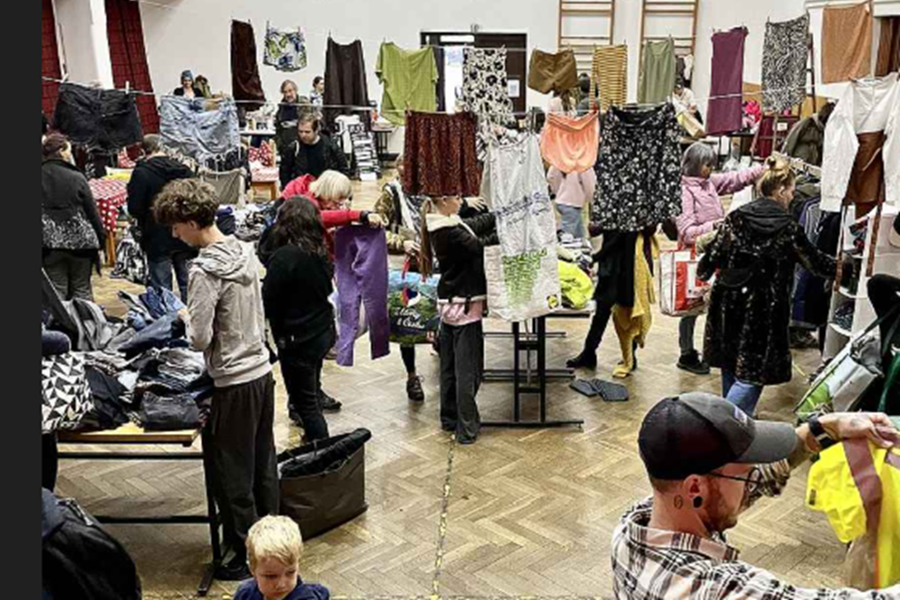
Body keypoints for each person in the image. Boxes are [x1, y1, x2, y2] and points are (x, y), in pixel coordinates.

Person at [613, 392, 900, 599]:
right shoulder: (714, 590)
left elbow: (755, 481)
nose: (752, 483)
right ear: (695, 488)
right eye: (745, 475)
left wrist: (823, 429)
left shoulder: (633, 528)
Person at [154, 179, 278, 581]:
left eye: (176, 227)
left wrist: (187, 317)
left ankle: (245, 555)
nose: (175, 235)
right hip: (260, 372)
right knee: (262, 464)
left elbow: (200, 338)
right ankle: (273, 545)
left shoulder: (204, 270)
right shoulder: (244, 251)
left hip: (233, 380)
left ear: (191, 222)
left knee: (232, 472)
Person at [699, 156, 837, 416]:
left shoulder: (737, 217)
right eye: (792, 191)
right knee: (754, 372)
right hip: (764, 307)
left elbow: (715, 253)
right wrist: (846, 267)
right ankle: (726, 422)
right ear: (780, 190)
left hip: (728, 298)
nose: (793, 197)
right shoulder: (788, 227)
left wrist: (704, 271)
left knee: (731, 361)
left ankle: (737, 419)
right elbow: (815, 262)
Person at [675, 142, 763, 375]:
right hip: (694, 256)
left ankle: (710, 349)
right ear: (694, 164)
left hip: (714, 254)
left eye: (712, 164)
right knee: (691, 306)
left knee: (709, 302)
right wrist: (716, 225)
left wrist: (761, 169)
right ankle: (686, 353)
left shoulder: (708, 183)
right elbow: (687, 232)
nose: (710, 168)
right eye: (707, 164)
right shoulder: (684, 191)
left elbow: (733, 179)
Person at [420, 196, 498, 444]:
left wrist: (499, 215)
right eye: (456, 197)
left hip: (451, 303)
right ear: (444, 201)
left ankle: (449, 418)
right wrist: (507, 231)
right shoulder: (449, 232)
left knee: (450, 368)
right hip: (465, 305)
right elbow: (479, 245)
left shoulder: (446, 224)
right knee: (468, 370)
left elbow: (474, 225)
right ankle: (467, 428)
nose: (461, 201)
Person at [262, 197, 335, 439]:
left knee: (306, 404)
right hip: (320, 331)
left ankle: (321, 448)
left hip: (297, 339)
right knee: (311, 392)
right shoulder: (320, 251)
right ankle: (314, 442)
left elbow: (269, 299)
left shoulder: (285, 257)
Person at [567, 226, 658, 377]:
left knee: (629, 312)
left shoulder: (639, 213)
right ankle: (589, 352)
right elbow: (596, 230)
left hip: (631, 265)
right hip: (612, 264)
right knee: (602, 312)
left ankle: (629, 355)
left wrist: (597, 256)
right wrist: (601, 225)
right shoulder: (613, 211)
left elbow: (648, 230)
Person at [375, 156, 428, 401]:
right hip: (407, 266)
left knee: (439, 314)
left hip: (435, 262)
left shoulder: (432, 187)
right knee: (408, 320)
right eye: (403, 166)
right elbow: (376, 228)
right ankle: (412, 375)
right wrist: (400, 242)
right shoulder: (391, 193)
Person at [127, 134, 196, 299]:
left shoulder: (141, 173)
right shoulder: (184, 170)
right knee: (189, 285)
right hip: (186, 231)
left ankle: (167, 315)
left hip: (155, 234)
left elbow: (134, 208)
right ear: (163, 148)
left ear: (143, 151)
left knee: (162, 289)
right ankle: (192, 315)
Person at [42, 134, 106, 302]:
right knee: (82, 290)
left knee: (56, 291)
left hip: (49, 244)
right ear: (61, 151)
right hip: (81, 243)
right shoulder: (76, 176)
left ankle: (59, 319)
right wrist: (101, 239)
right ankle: (85, 319)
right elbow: (92, 212)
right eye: (68, 150)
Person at [234, 516, 330, 600]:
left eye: (290, 572)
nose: (281, 585)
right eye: (271, 576)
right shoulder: (245, 593)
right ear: (252, 570)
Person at [279, 113, 349, 189]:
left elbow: (343, 169)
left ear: (316, 131)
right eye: (300, 131)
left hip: (325, 189)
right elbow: (285, 172)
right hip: (302, 190)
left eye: (307, 132)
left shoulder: (331, 146)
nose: (303, 135)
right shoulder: (293, 148)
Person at [548, 166, 595, 240]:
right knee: (567, 235)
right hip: (573, 202)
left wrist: (557, 191)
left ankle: (581, 243)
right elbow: (589, 184)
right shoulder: (584, 165)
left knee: (578, 230)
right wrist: (589, 198)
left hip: (561, 200)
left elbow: (551, 176)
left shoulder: (561, 162)